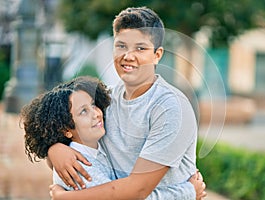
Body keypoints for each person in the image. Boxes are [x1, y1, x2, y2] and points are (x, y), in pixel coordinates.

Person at [48, 6, 207, 200]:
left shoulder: (170, 107)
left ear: (157, 55)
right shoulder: (104, 102)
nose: (128, 56)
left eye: (140, 48)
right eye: (121, 46)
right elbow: (78, 141)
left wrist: (65, 198)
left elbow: (137, 190)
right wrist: (54, 150)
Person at [21, 76, 115, 190]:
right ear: (66, 130)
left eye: (93, 104)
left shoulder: (96, 148)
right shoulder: (77, 166)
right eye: (83, 111)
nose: (96, 114)